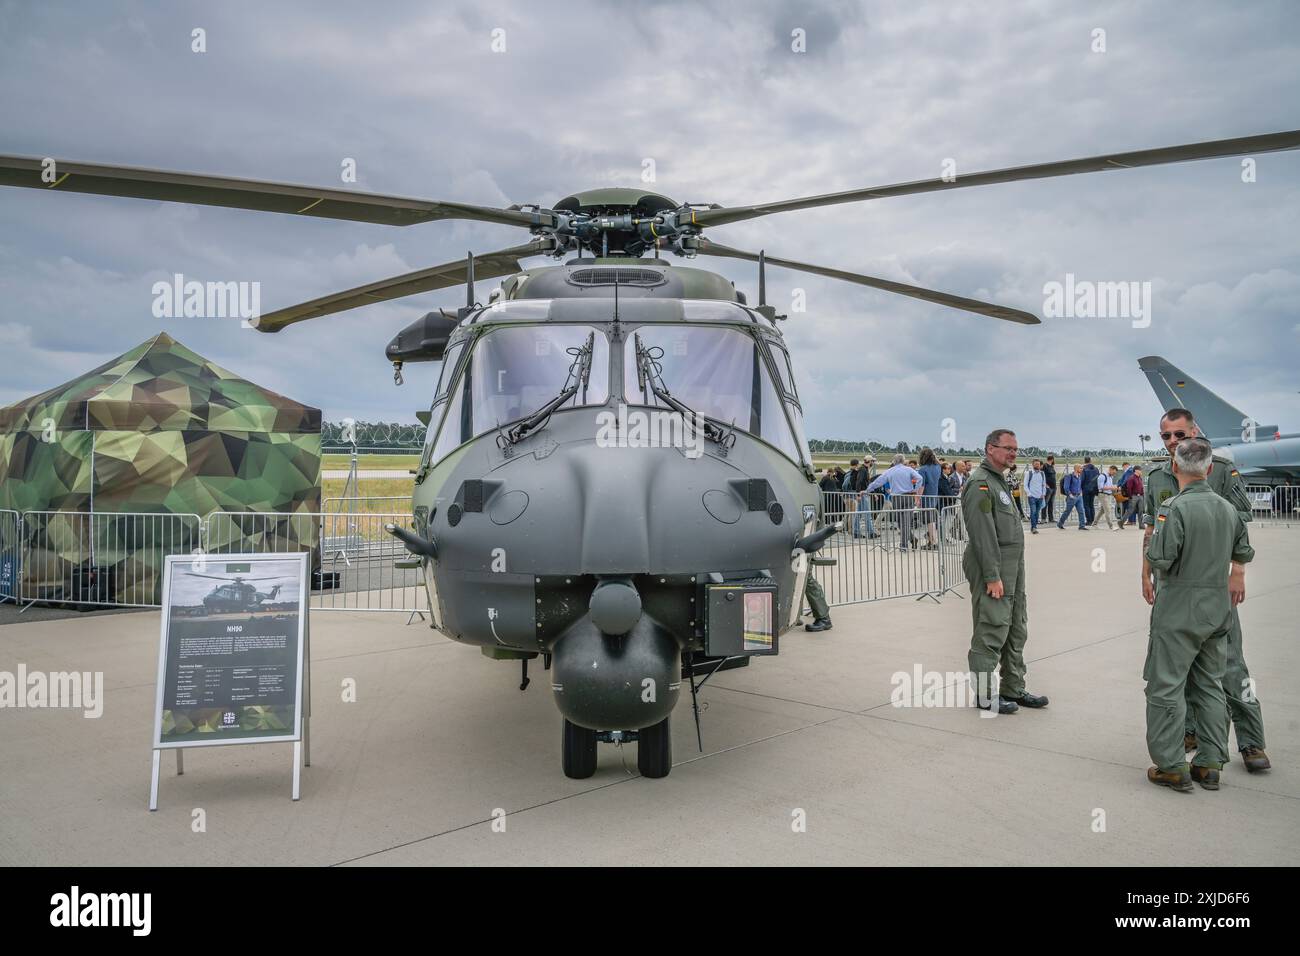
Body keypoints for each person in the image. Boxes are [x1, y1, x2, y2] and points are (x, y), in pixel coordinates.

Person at [1142, 408, 1269, 772]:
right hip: (1173, 587)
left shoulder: (1220, 468)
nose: (1172, 442)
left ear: (1194, 431)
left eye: (1179, 435)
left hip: (1216, 584)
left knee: (1231, 666)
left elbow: (1241, 519)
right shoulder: (1158, 477)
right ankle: (1192, 733)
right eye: (1166, 436)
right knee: (1180, 669)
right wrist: (1145, 574)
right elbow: (1151, 528)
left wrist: (1238, 572)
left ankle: (1251, 741)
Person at [960, 429, 1048, 714]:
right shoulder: (980, 484)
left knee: (1015, 627)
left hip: (1012, 566)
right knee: (991, 626)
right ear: (990, 449)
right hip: (994, 566)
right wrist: (992, 576)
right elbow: (983, 533)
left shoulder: (999, 481)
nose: (1013, 453)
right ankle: (986, 695)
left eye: (1015, 449)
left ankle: (1013, 687)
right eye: (1007, 448)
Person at [867, 455, 922, 551]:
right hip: (908, 496)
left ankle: (903, 545)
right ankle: (913, 539)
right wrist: (915, 490)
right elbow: (920, 478)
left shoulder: (890, 471)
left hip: (896, 497)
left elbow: (878, 482)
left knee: (902, 522)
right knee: (903, 522)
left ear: (894, 461)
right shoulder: (908, 470)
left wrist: (867, 490)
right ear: (903, 461)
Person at [917, 447, 941, 549]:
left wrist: (917, 498)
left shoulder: (923, 469)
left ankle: (933, 541)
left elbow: (921, 486)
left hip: (926, 496)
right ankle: (932, 540)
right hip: (934, 495)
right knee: (931, 520)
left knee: (929, 520)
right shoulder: (937, 467)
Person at [1056, 464, 1087, 530]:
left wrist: (1081, 492)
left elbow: (1079, 485)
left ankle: (1082, 526)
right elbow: (1066, 487)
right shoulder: (1069, 476)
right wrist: (1070, 495)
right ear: (1076, 469)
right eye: (1081, 468)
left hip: (1079, 496)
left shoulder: (1079, 476)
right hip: (1072, 497)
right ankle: (1060, 523)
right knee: (1067, 511)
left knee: (1081, 511)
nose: (1082, 470)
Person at [1024, 458, 1047, 533]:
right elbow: (1025, 485)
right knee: (1033, 512)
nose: (1037, 465)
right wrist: (1029, 494)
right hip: (1032, 497)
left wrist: (1043, 494)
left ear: (1040, 465)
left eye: (1038, 464)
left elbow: (1043, 485)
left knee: (1037, 512)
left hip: (1040, 497)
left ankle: (1034, 526)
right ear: (1033, 464)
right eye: (1036, 464)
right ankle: (1033, 527)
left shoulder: (1042, 474)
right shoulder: (1029, 473)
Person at [1094, 465, 1120, 529]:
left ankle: (1094, 523)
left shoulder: (1111, 477)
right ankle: (1111, 526)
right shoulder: (1102, 476)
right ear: (1110, 469)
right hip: (1103, 495)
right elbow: (1101, 487)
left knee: (1102, 510)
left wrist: (1115, 487)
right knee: (1108, 510)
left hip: (1108, 495)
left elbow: (1109, 486)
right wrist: (1112, 487)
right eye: (1113, 472)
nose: (1114, 474)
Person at [1081, 456, 1100, 525]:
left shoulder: (1084, 469)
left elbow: (1082, 480)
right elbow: (1098, 478)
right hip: (1094, 489)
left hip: (1086, 489)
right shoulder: (1096, 469)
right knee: (1091, 504)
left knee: (1086, 505)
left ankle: (1089, 520)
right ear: (1090, 461)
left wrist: (1080, 488)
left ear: (1084, 461)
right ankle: (1093, 519)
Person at [1042, 455, 1057, 522]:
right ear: (1052, 459)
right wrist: (1046, 485)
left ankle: (1051, 518)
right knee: (1045, 503)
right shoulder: (1045, 466)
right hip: (1048, 487)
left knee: (1051, 503)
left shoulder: (1052, 466)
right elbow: (1042, 476)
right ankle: (1043, 518)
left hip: (1054, 487)